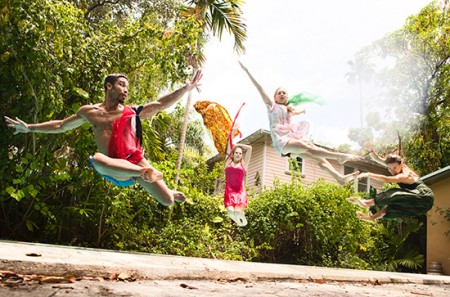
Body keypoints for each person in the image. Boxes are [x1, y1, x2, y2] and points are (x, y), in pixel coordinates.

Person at [5, 70, 203, 206]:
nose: (125, 89)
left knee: (167, 201)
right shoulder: (90, 112)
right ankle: (146, 173)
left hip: (134, 163)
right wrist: (29, 128)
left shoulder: (132, 112)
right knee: (98, 160)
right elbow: (60, 125)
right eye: (122, 85)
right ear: (109, 86)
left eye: (127, 87)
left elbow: (160, 103)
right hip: (115, 167)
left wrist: (186, 88)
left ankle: (162, 186)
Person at [238, 61, 360, 185]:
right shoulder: (272, 106)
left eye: (284, 93)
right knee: (309, 147)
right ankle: (339, 156)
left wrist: (301, 111)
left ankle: (339, 177)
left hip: (290, 142)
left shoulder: (289, 109)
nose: (281, 94)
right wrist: (247, 71)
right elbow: (260, 88)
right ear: (274, 97)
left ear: (287, 97)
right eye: (279, 93)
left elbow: (295, 111)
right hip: (282, 141)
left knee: (319, 159)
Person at [346, 142, 434, 221]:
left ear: (401, 164)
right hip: (421, 207)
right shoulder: (394, 165)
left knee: (393, 193)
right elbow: (377, 159)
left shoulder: (405, 175)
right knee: (393, 206)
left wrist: (369, 174)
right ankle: (372, 218)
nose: (393, 171)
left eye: (395, 168)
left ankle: (367, 203)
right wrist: (370, 149)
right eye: (389, 168)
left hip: (424, 196)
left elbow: (386, 179)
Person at [224, 125, 252, 227]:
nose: (238, 154)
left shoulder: (244, 165)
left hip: (240, 191)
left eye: (240, 153)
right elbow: (229, 145)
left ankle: (243, 219)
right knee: (231, 212)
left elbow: (249, 148)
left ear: (241, 155)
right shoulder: (227, 162)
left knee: (237, 212)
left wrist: (238, 145)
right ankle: (238, 222)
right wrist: (232, 132)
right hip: (229, 191)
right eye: (236, 152)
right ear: (233, 154)